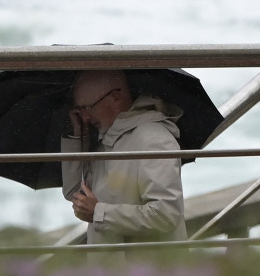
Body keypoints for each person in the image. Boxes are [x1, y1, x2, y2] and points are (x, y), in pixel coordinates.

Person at [62, 70, 188, 248]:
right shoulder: (108, 139)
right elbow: (76, 195)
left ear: (115, 97)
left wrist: (99, 213)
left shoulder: (153, 138)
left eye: (87, 108)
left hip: (147, 265)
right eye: (79, 110)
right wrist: (77, 137)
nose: (84, 117)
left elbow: (165, 215)